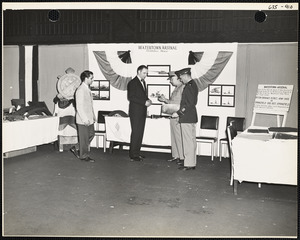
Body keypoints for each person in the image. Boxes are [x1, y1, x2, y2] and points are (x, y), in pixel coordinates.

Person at [172, 68, 198, 171]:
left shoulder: (190, 86)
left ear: (185, 75)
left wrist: (178, 113)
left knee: (188, 141)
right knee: (190, 141)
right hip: (189, 116)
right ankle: (190, 162)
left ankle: (189, 164)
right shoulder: (191, 85)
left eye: (181, 77)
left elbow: (189, 103)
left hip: (187, 117)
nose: (180, 79)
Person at [158, 71, 185, 164]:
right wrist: (165, 100)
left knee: (179, 137)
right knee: (174, 137)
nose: (170, 81)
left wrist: (179, 113)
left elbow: (183, 104)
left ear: (178, 78)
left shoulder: (183, 88)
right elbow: (173, 103)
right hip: (172, 116)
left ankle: (182, 157)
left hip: (178, 116)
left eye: (172, 79)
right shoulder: (176, 88)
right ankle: (176, 156)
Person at [70, 70, 96, 162]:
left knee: (91, 134)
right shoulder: (80, 90)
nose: (92, 80)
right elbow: (79, 107)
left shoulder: (87, 88)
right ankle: (84, 156)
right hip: (83, 119)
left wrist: (93, 116)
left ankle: (76, 147)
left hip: (89, 118)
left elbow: (89, 104)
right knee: (84, 138)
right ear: (86, 78)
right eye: (91, 78)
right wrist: (84, 119)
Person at [127, 65, 152, 161]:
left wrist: (148, 100)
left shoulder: (143, 82)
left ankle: (137, 152)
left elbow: (141, 96)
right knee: (136, 132)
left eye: (146, 73)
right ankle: (133, 155)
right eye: (144, 73)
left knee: (140, 132)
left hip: (142, 111)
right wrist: (143, 102)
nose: (146, 75)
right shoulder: (132, 83)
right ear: (138, 72)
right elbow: (131, 97)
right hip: (135, 112)